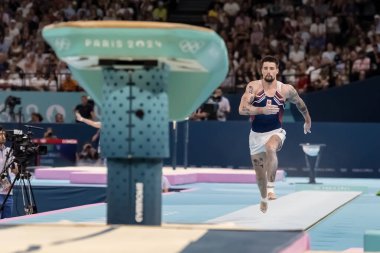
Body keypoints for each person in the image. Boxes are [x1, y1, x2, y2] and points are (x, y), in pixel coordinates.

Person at [239, 55, 311, 213]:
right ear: (261, 70)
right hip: (255, 136)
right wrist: (261, 110)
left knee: (270, 147)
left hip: (276, 132)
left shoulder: (285, 89)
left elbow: (299, 103)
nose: (268, 71)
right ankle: (264, 197)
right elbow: (242, 109)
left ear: (277, 70)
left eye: (272, 68)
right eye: (265, 68)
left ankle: (271, 188)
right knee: (259, 177)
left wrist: (307, 119)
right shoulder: (253, 87)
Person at [0, 127, 19, 219]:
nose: (3, 136)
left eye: (4, 134)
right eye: (0, 134)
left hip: (7, 191)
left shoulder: (9, 151)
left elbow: (15, 171)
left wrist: (21, 163)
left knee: (7, 221)